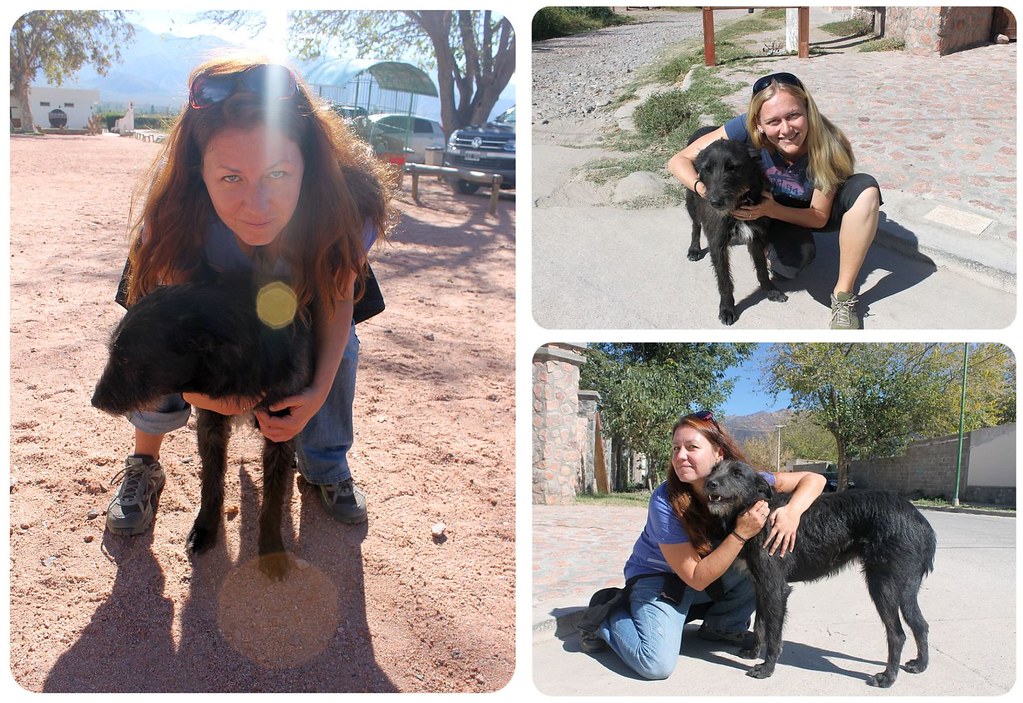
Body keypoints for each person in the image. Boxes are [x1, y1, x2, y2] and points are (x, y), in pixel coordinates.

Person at [104, 57, 395, 537]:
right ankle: (144, 463)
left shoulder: (347, 207)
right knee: (158, 342)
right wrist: (211, 397)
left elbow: (337, 301)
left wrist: (314, 393)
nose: (257, 206)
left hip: (296, 289)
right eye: (231, 178)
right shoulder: (175, 218)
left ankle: (325, 465)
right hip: (204, 290)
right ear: (200, 174)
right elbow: (170, 336)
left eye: (278, 174)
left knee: (339, 348)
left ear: (309, 162)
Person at [576, 411, 826, 681]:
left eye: (692, 447)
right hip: (660, 581)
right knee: (655, 664)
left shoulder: (742, 477)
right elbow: (694, 577)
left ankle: (722, 626)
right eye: (675, 448)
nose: (680, 455)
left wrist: (792, 512)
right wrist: (740, 534)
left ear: (718, 453)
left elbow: (815, 479)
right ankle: (606, 615)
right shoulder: (665, 502)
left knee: (759, 570)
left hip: (706, 575)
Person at [668, 72, 882, 329]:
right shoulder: (744, 127)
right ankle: (767, 246)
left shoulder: (829, 145)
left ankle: (843, 297)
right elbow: (678, 161)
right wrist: (707, 193)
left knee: (866, 190)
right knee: (787, 265)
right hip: (769, 206)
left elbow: (819, 216)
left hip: (804, 211)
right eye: (773, 121)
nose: (786, 129)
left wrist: (771, 209)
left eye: (793, 116)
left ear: (808, 110)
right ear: (757, 123)